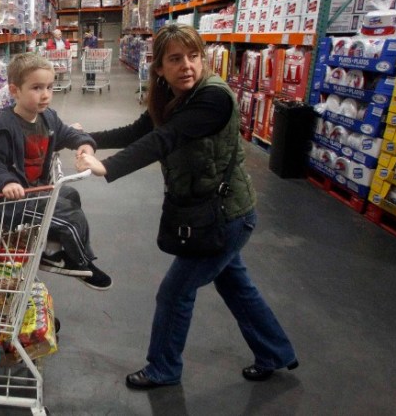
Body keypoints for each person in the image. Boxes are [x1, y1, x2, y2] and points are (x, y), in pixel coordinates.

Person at [75, 24, 297, 388]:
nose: (187, 66)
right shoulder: (171, 97)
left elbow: (166, 138)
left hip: (225, 216)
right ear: (159, 68)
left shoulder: (214, 99)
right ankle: (275, 352)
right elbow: (139, 131)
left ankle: (164, 368)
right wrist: (84, 139)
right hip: (208, 213)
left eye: (194, 56)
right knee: (236, 285)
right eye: (175, 59)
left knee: (175, 292)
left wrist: (108, 167)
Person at [0, 52, 111, 290]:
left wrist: (84, 144)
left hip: (34, 190)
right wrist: (6, 182)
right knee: (71, 217)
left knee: (70, 195)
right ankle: (79, 262)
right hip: (10, 202)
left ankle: (48, 248)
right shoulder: (1, 125)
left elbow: (67, 133)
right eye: (36, 87)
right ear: (15, 90)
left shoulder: (47, 117)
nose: (46, 94)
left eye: (49, 86)